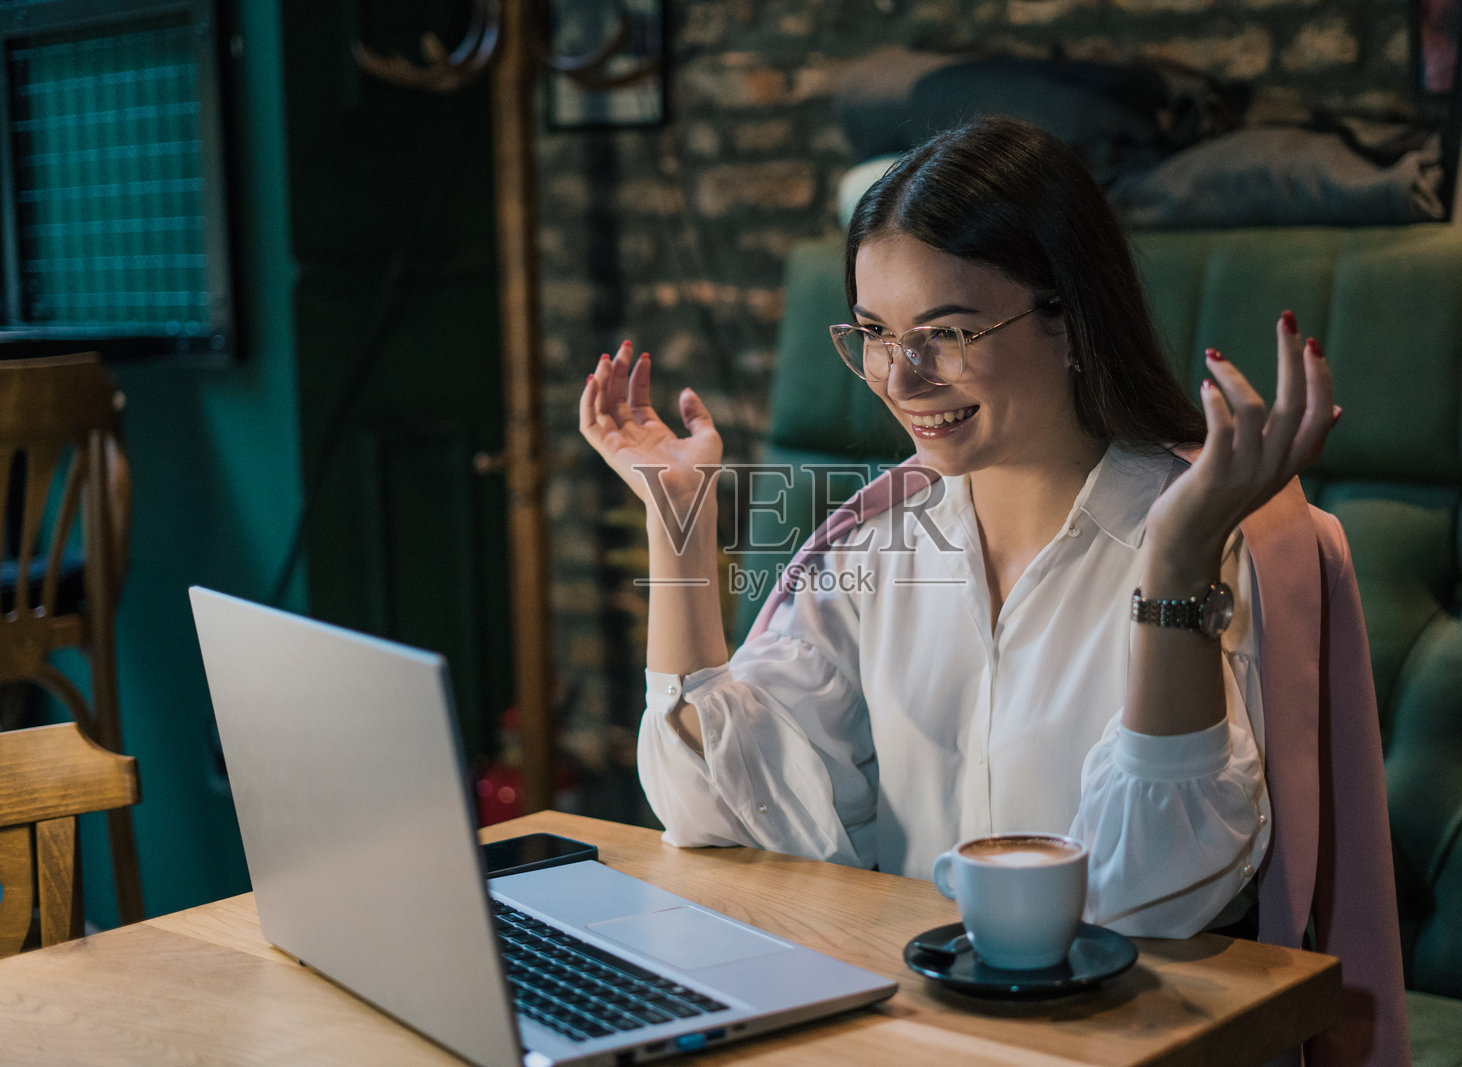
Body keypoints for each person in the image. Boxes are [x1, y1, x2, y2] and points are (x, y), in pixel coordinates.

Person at [580, 116, 1407, 1065]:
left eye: (950, 332)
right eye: (876, 334)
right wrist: (676, 515)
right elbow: (711, 803)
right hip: (914, 1037)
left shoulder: (1215, 534)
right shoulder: (880, 537)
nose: (902, 376)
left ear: (1070, 315)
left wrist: (1175, 561)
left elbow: (1149, 896)